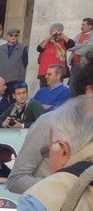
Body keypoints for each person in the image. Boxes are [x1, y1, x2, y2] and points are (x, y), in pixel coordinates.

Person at [7, 60, 93, 194]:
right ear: (89, 91)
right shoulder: (50, 123)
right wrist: (61, 188)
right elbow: (16, 180)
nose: (46, 77)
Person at [36, 23, 74, 90]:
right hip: (44, 72)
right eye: (52, 31)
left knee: (56, 90)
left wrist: (63, 36)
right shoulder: (46, 42)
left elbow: (72, 44)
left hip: (57, 73)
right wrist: (48, 38)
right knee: (44, 91)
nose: (54, 34)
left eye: (56, 31)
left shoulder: (63, 41)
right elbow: (39, 49)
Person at [68, 18, 93, 83]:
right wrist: (81, 45)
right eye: (82, 25)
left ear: (90, 26)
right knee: (72, 85)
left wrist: (75, 49)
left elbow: (84, 51)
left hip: (85, 66)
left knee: (83, 85)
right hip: (74, 65)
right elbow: (69, 47)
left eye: (84, 25)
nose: (81, 27)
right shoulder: (79, 35)